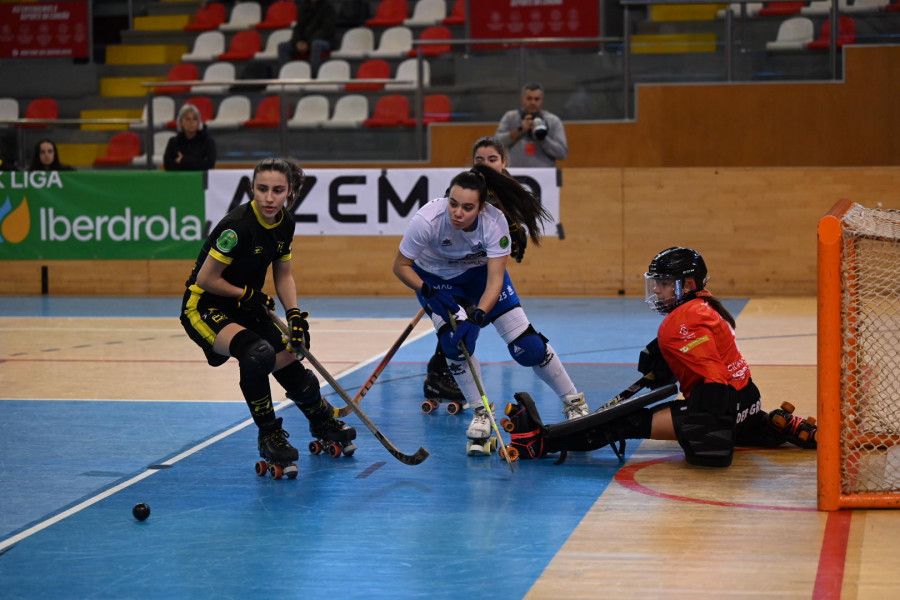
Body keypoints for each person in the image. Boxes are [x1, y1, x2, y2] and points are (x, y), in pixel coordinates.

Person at [505, 247, 818, 466]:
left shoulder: (679, 323)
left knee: (624, 422)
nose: (656, 291)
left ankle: (542, 442)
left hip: (722, 409)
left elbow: (715, 379)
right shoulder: (706, 307)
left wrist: (709, 432)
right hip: (749, 403)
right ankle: (773, 426)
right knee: (646, 413)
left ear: (688, 285)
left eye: (664, 284)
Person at [393, 166, 590, 456]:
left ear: (482, 207)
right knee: (454, 345)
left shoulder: (495, 223)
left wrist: (478, 315)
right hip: (436, 282)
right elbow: (400, 266)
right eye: (453, 204)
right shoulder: (426, 220)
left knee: (528, 347)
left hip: (479, 278)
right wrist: (428, 292)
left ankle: (574, 402)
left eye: (467, 207)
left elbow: (495, 279)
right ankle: (481, 412)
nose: (458, 213)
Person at [180, 157, 356, 475]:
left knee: (291, 353)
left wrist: (295, 317)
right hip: (205, 308)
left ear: (289, 192)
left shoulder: (285, 223)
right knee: (257, 354)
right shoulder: (237, 227)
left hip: (248, 306)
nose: (269, 198)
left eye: (278, 190)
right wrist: (246, 293)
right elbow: (205, 279)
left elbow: (283, 273)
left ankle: (321, 421)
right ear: (252, 189)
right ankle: (269, 435)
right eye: (262, 189)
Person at [422, 136, 533, 410]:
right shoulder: (466, 190)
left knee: (475, 313)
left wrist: (516, 233)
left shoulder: (506, 192)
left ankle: (442, 371)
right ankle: (438, 374)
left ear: (504, 163)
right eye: (480, 160)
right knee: (459, 315)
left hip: (482, 268)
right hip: (455, 267)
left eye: (492, 160)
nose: (485, 165)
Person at [495, 82, 568, 169]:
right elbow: (496, 144)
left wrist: (542, 137)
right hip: (516, 175)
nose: (533, 102)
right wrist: (520, 130)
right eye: (529, 98)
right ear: (522, 99)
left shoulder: (553, 121)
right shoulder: (510, 117)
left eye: (537, 99)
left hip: (545, 176)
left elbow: (562, 154)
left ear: (542, 100)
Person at [277, 0, 337, 79]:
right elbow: (299, 27)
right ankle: (286, 76)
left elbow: (326, 30)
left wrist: (308, 44)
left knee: (316, 44)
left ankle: (314, 77)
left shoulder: (328, 7)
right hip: (305, 41)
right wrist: (298, 42)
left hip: (326, 40)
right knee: (283, 46)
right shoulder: (303, 6)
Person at [164, 103, 217, 171]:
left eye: (195, 119)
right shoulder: (173, 142)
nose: (191, 122)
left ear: (199, 123)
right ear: (181, 123)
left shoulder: (208, 142)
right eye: (187, 119)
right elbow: (169, 167)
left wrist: (184, 160)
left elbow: (209, 165)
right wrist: (198, 162)